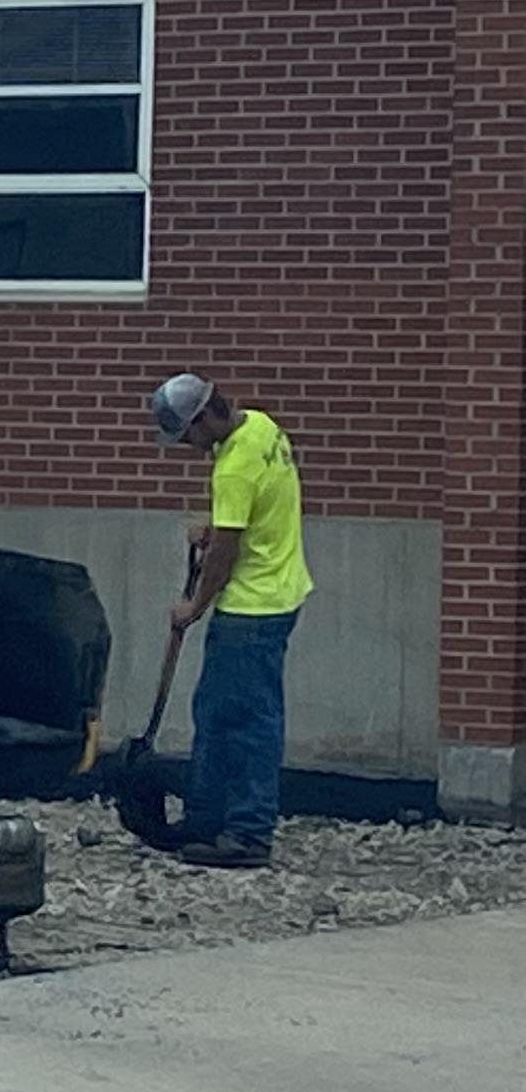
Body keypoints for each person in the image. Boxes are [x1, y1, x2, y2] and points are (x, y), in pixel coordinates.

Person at [148, 372, 312, 870]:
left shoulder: (233, 466)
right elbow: (251, 516)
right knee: (218, 714)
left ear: (203, 418)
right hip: (280, 590)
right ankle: (207, 818)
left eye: (190, 436)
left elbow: (226, 551)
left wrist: (193, 605)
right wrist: (217, 527)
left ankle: (246, 832)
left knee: (245, 722)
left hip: (252, 607)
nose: (192, 448)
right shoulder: (261, 427)